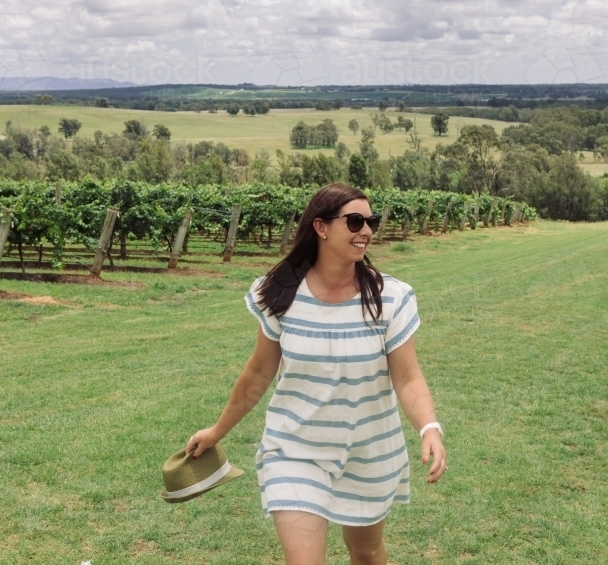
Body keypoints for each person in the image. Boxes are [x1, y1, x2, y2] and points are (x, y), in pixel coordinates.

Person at [186, 182, 446, 565]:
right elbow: (257, 374)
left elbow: (407, 377)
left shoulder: (390, 297)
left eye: (370, 221)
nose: (366, 231)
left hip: (369, 451)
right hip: (295, 449)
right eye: (355, 221)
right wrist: (216, 431)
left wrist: (429, 427)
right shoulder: (280, 293)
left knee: (367, 551)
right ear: (321, 228)